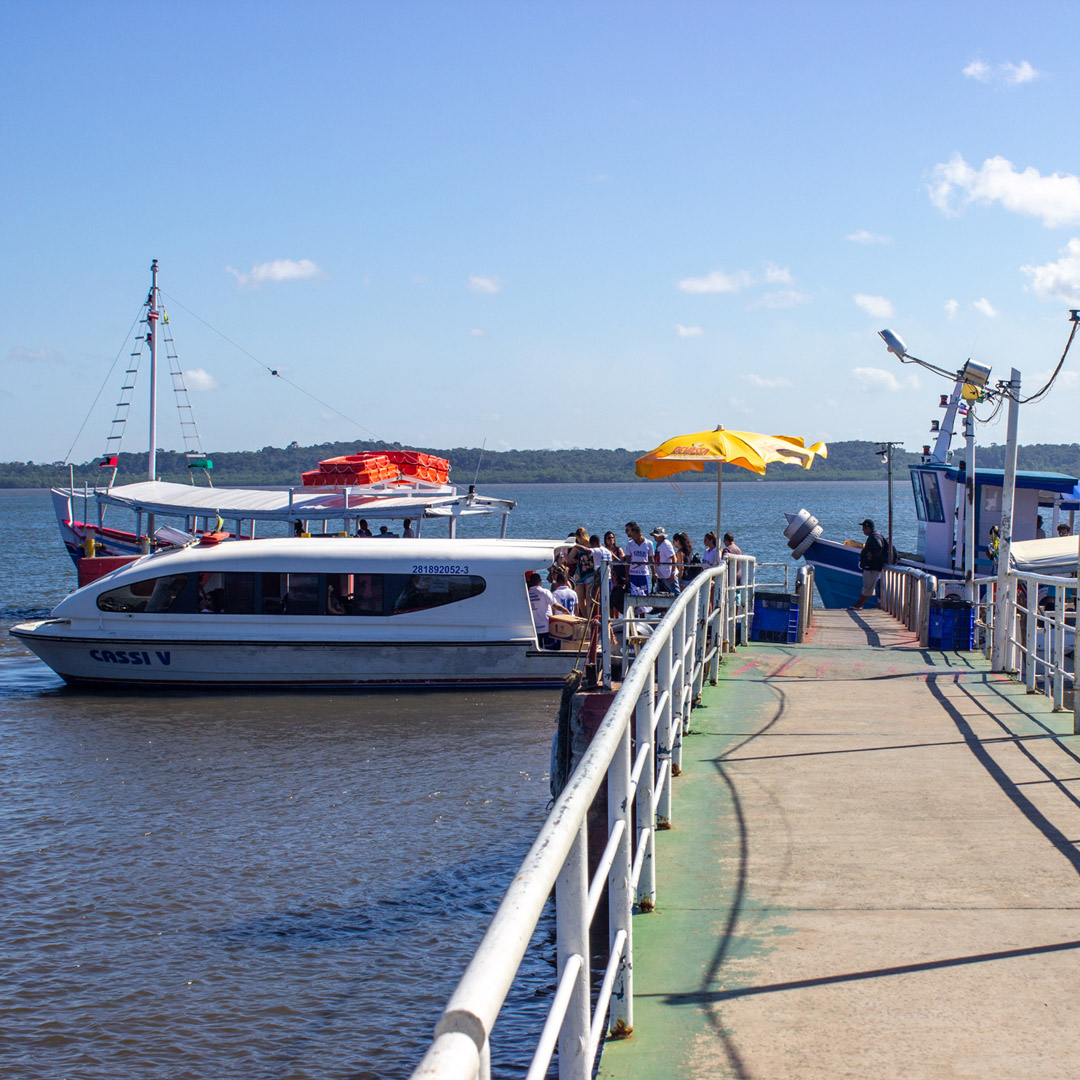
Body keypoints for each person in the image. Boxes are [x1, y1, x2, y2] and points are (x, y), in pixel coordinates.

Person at [528, 571, 570, 650]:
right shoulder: (545, 592)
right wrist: (565, 610)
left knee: (538, 649)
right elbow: (555, 605)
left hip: (535, 628)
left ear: (530, 582)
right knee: (550, 648)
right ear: (540, 582)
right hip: (546, 626)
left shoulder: (527, 594)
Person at [852, 518, 888, 609]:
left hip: (872, 567)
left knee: (867, 587)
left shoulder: (874, 536)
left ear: (868, 528)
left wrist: (873, 557)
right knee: (868, 587)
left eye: (863, 528)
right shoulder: (873, 536)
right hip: (870, 567)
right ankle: (863, 604)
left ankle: (859, 605)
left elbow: (879, 547)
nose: (862, 530)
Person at [624, 521, 654, 595]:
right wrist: (627, 575)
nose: (632, 538)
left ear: (639, 534)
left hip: (643, 573)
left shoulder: (649, 543)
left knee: (644, 593)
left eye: (634, 536)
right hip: (633, 573)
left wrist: (654, 573)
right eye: (632, 536)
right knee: (634, 593)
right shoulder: (630, 544)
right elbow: (627, 560)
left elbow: (651, 559)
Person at [651, 527, 679, 594]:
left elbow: (674, 558)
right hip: (661, 576)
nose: (654, 537)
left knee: (676, 594)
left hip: (668, 575)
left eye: (656, 536)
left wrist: (672, 574)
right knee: (659, 594)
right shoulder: (657, 544)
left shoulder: (666, 544)